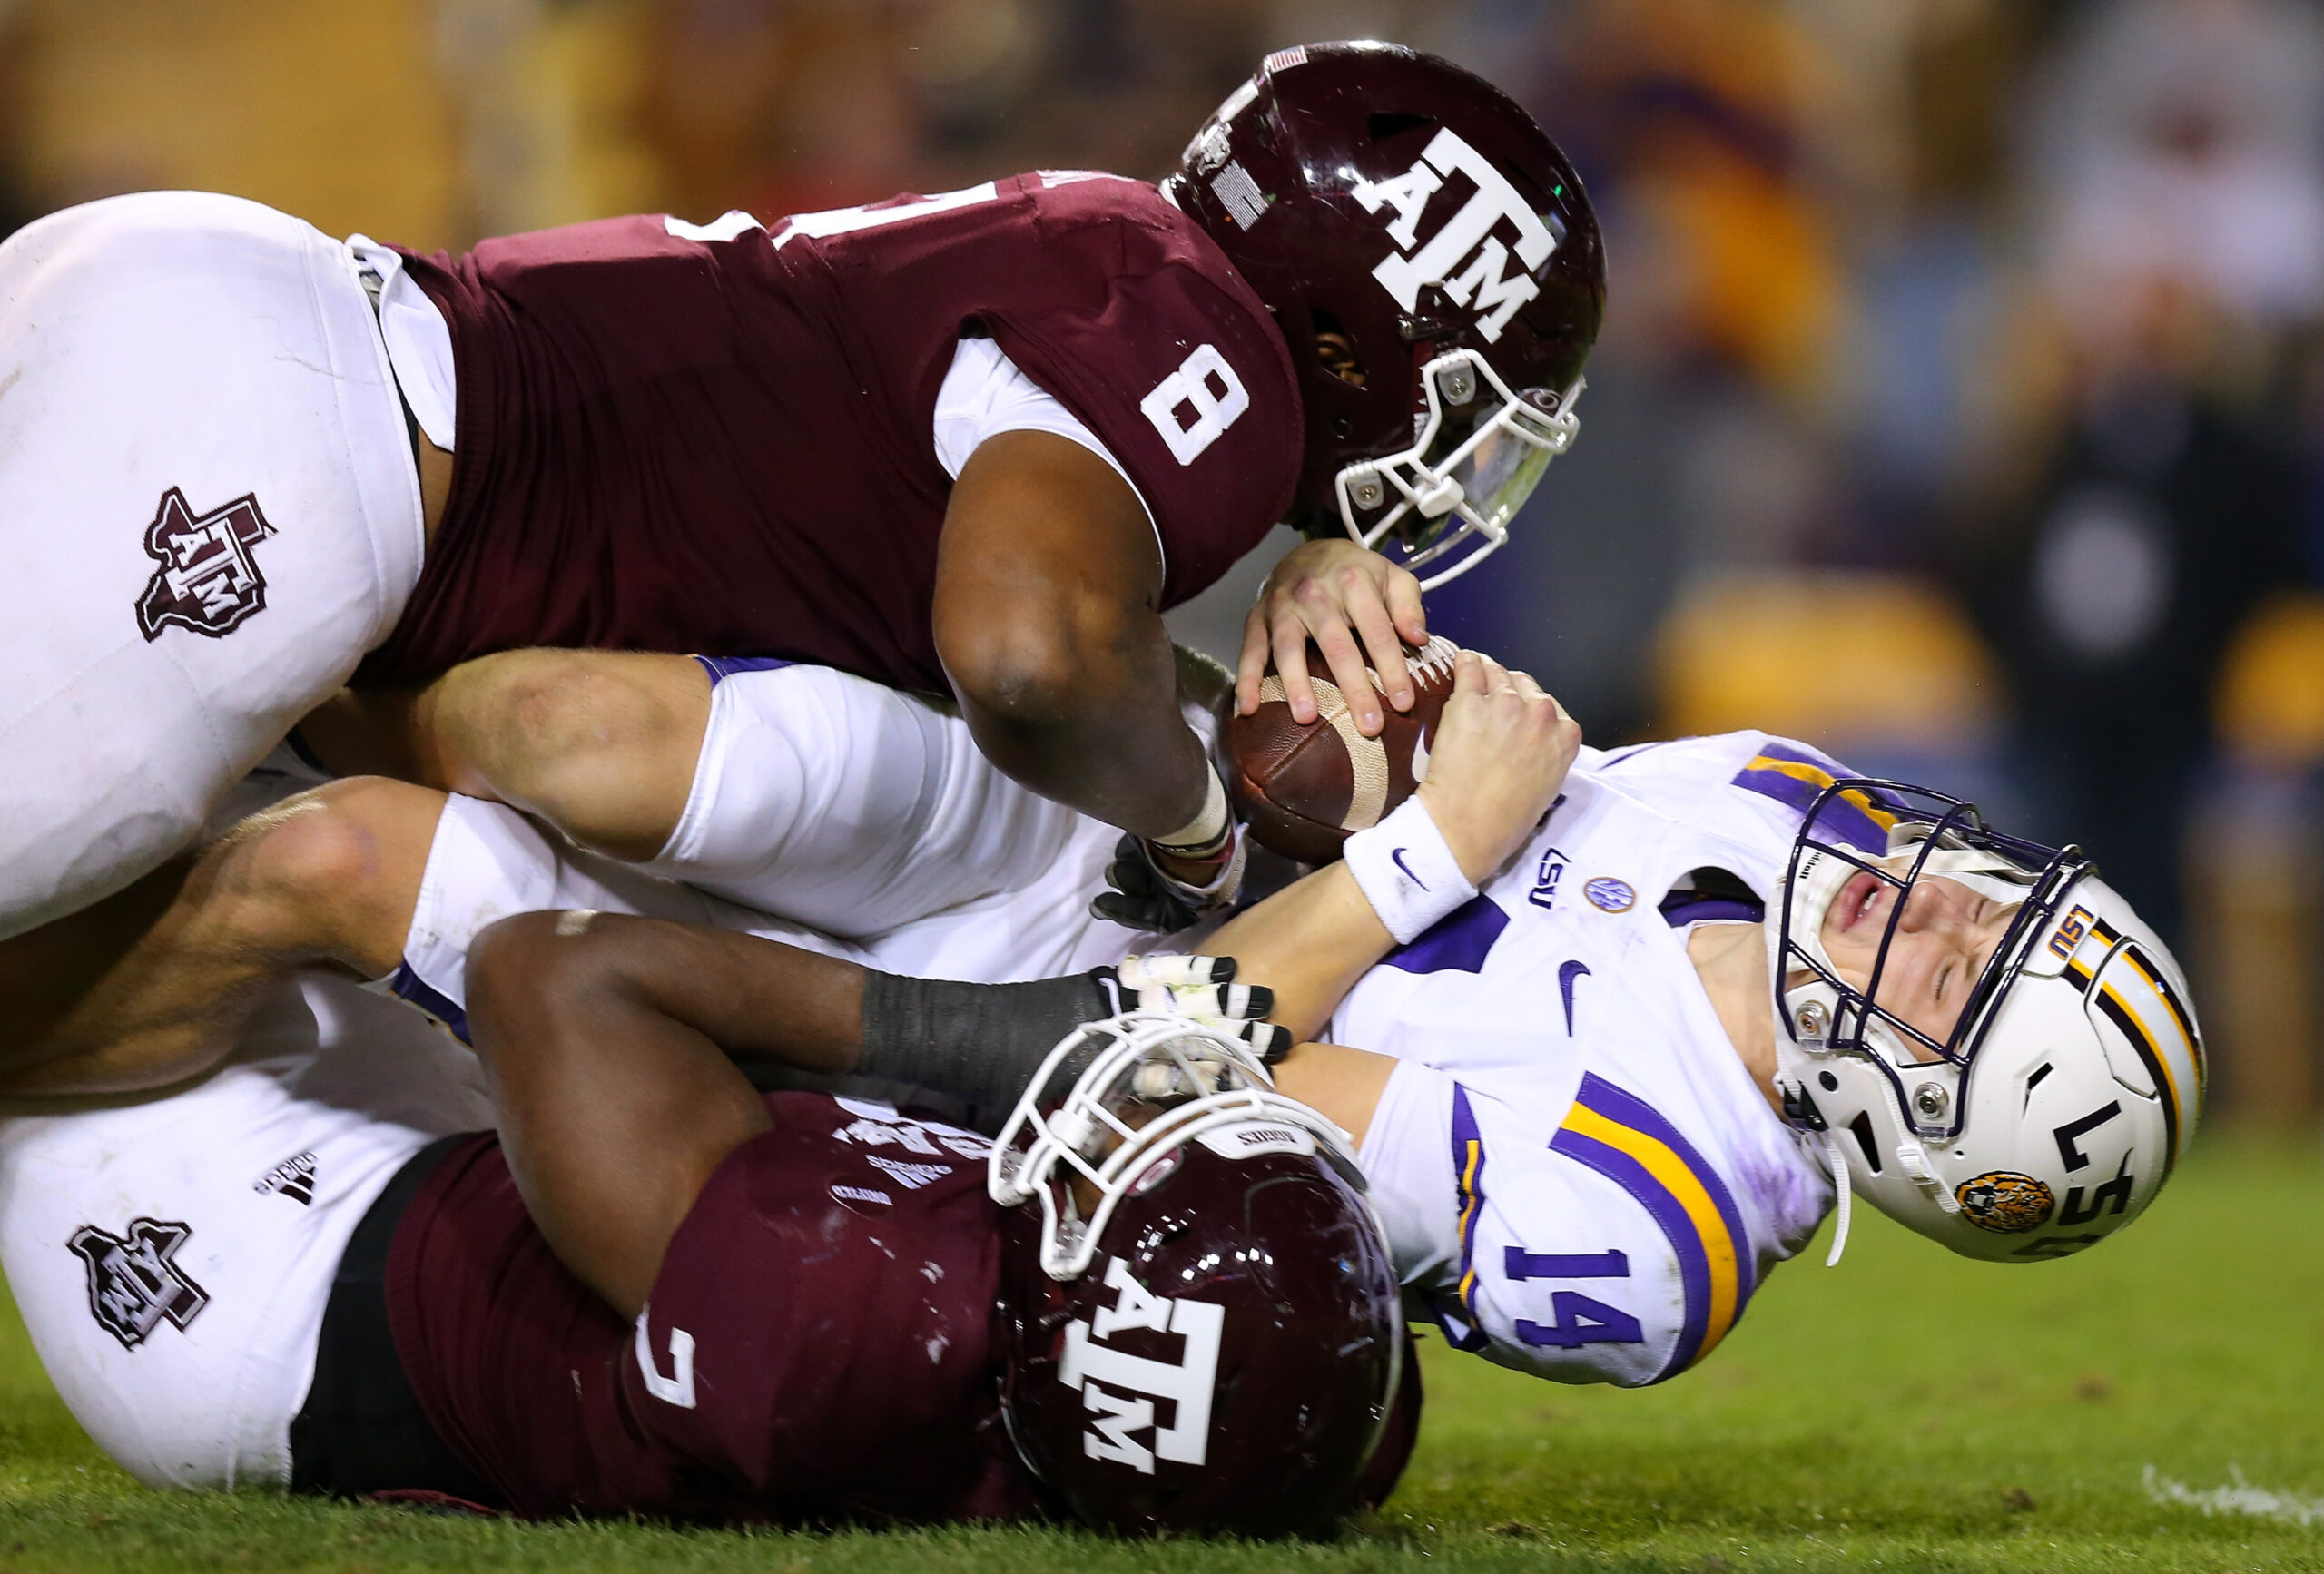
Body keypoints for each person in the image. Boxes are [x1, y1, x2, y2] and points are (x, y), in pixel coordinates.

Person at [1, 40, 1605, 1083]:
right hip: (289, 471)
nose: (1459, 454)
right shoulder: (1216, 360)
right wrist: (1192, 831)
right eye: (1469, 396)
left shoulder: (1114, 248)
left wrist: (1283, 570)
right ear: (1347, 330)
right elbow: (1030, 654)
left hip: (233, 328)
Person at [8, 642, 2201, 1388]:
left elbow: (1137, 1066)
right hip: (1094, 842)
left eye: (1948, 977)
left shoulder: (1638, 1235)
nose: (1936, 901)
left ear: (1920, 1138)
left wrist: (1424, 853)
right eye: (1984, 903)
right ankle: (142, 682)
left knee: (369, 870)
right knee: (546, 722)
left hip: (975, 1048)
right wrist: (1342, 650)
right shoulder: (1792, 800)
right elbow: (1371, 779)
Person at [0, 966, 1413, 1531]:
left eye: (1127, 1185)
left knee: (284, 835)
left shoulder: (834, 1308)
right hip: (433, 1178)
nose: (1120, 1142)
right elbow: (1307, 1406)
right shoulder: (1180, 1431)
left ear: (1079, 1310)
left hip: (255, 1281)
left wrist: (987, 1032)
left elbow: (540, 968)